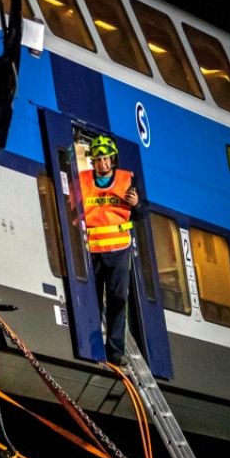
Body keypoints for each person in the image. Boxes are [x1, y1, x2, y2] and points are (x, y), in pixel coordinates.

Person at [78, 134, 140, 365]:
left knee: (117, 300)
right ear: (92, 161)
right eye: (98, 159)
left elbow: (142, 214)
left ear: (112, 160)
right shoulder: (82, 181)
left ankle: (115, 351)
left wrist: (136, 205)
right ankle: (92, 344)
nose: (102, 163)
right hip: (91, 251)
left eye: (106, 159)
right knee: (91, 298)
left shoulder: (127, 181)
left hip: (119, 251)